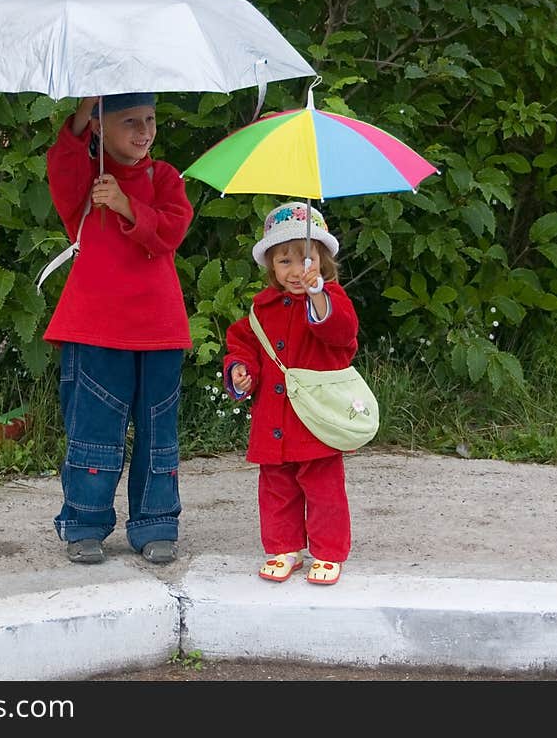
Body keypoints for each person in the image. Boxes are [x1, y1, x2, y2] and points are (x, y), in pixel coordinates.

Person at [43, 92, 193, 565]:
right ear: (101, 127)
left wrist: (127, 205)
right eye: (129, 121)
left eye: (150, 119)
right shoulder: (84, 181)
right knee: (93, 429)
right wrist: (83, 111)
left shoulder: (164, 177)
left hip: (160, 329)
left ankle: (155, 523)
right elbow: (62, 160)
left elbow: (171, 230)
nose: (144, 130)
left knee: (158, 431)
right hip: (94, 329)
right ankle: (84, 523)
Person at [223, 202, 359, 585]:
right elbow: (242, 344)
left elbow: (343, 334)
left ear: (323, 261)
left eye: (306, 259)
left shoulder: (331, 300)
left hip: (316, 418)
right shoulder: (262, 308)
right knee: (276, 487)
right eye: (284, 261)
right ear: (272, 267)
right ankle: (284, 547)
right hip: (274, 416)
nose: (297, 270)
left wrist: (318, 294)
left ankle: (328, 551)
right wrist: (240, 370)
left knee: (324, 488)